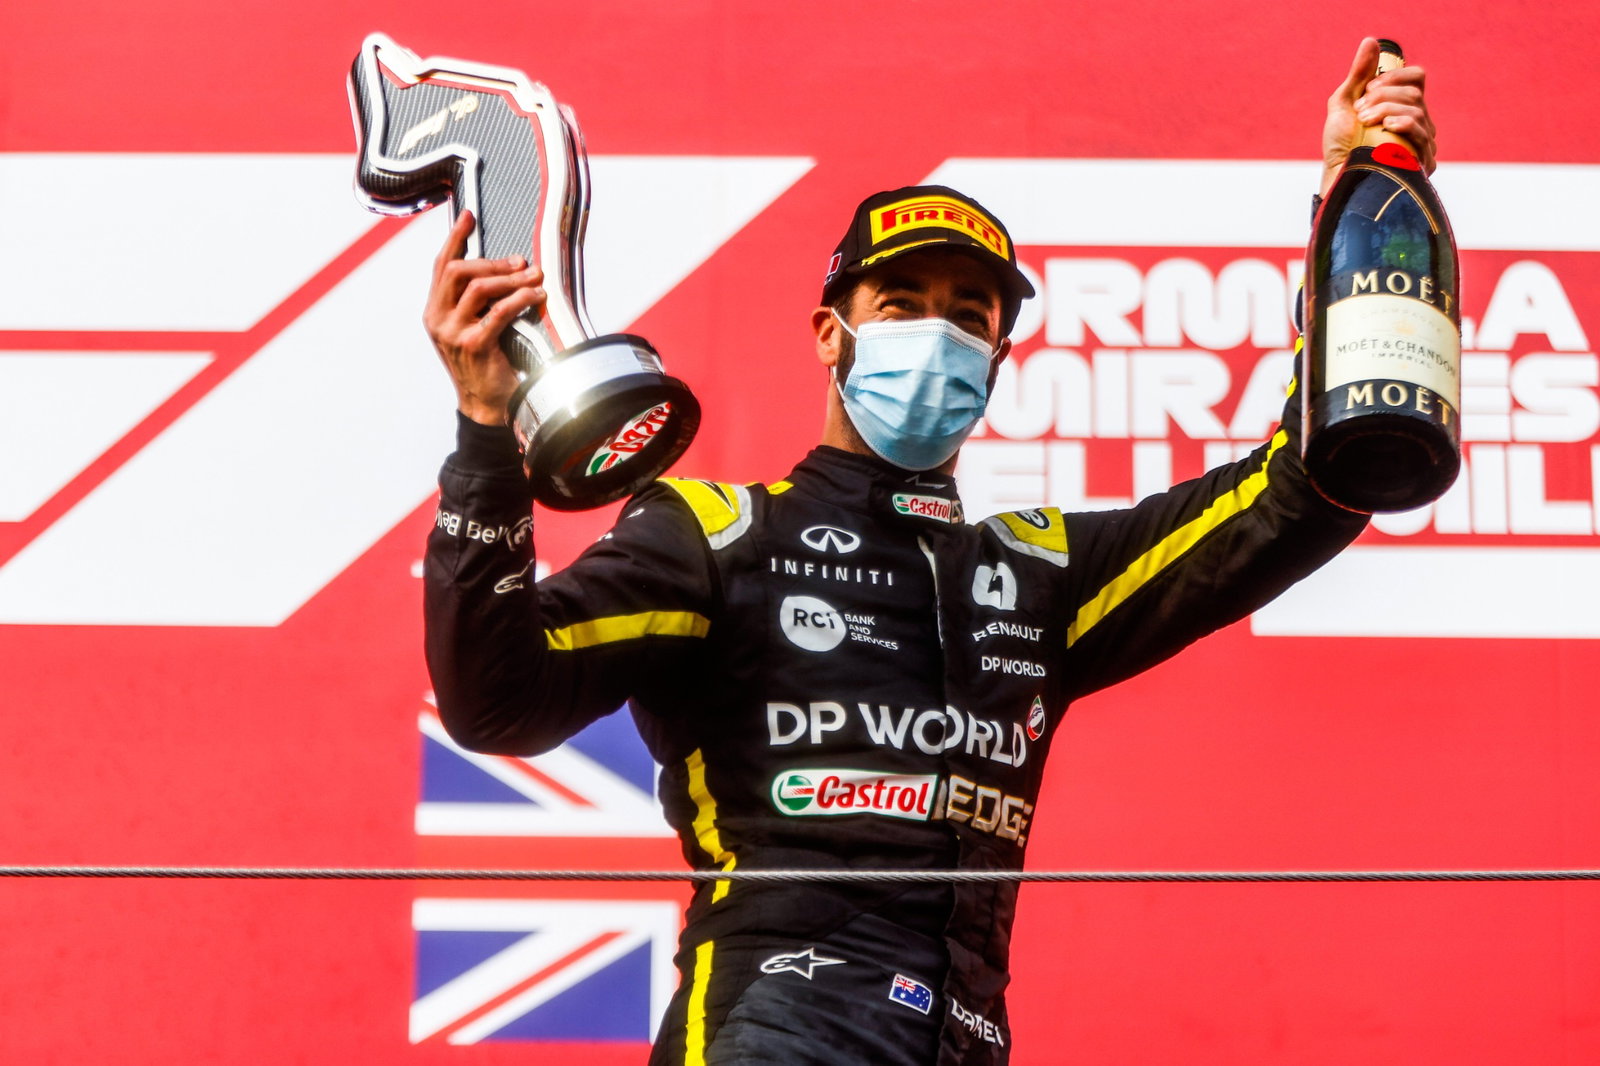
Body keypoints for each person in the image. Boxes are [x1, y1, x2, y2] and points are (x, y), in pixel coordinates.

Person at [421, 38, 1435, 1066]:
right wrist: (484, 437)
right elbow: (497, 700)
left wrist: (1353, 195)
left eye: (966, 316)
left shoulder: (1039, 577)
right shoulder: (716, 536)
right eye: (900, 306)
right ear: (831, 332)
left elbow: (1302, 494)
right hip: (771, 1028)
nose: (934, 335)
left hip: (961, 1039)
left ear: (998, 358)